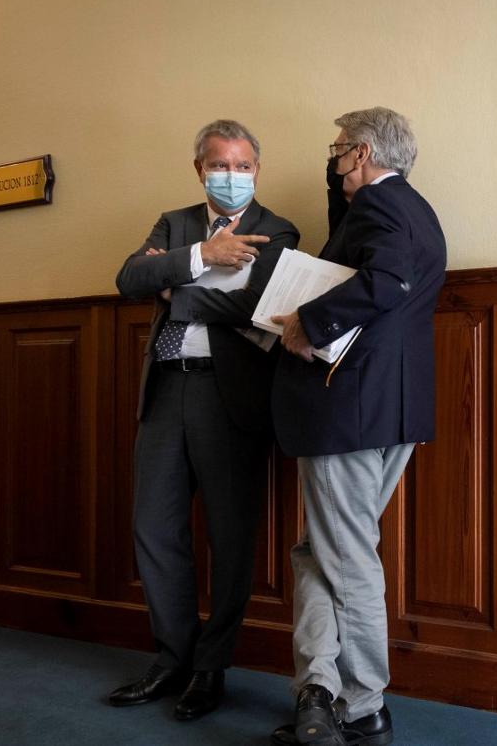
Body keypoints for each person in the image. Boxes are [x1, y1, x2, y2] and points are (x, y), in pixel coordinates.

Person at [108, 119, 299, 721]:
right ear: (200, 169)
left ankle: (211, 668)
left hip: (230, 398)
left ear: (257, 171)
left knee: (231, 537)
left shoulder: (277, 230)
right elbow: (129, 278)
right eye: (221, 165)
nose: (233, 176)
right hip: (166, 391)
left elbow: (254, 306)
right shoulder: (175, 223)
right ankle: (173, 658)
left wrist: (176, 285)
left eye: (244, 166)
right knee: (155, 527)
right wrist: (202, 256)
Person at [268, 107, 447, 746]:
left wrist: (305, 323)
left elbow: (386, 279)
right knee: (323, 550)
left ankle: (365, 704)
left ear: (362, 152)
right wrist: (337, 180)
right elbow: (365, 257)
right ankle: (318, 692)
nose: (334, 156)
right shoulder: (409, 206)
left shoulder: (380, 206)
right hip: (388, 409)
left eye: (340, 149)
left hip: (350, 409)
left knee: (345, 559)